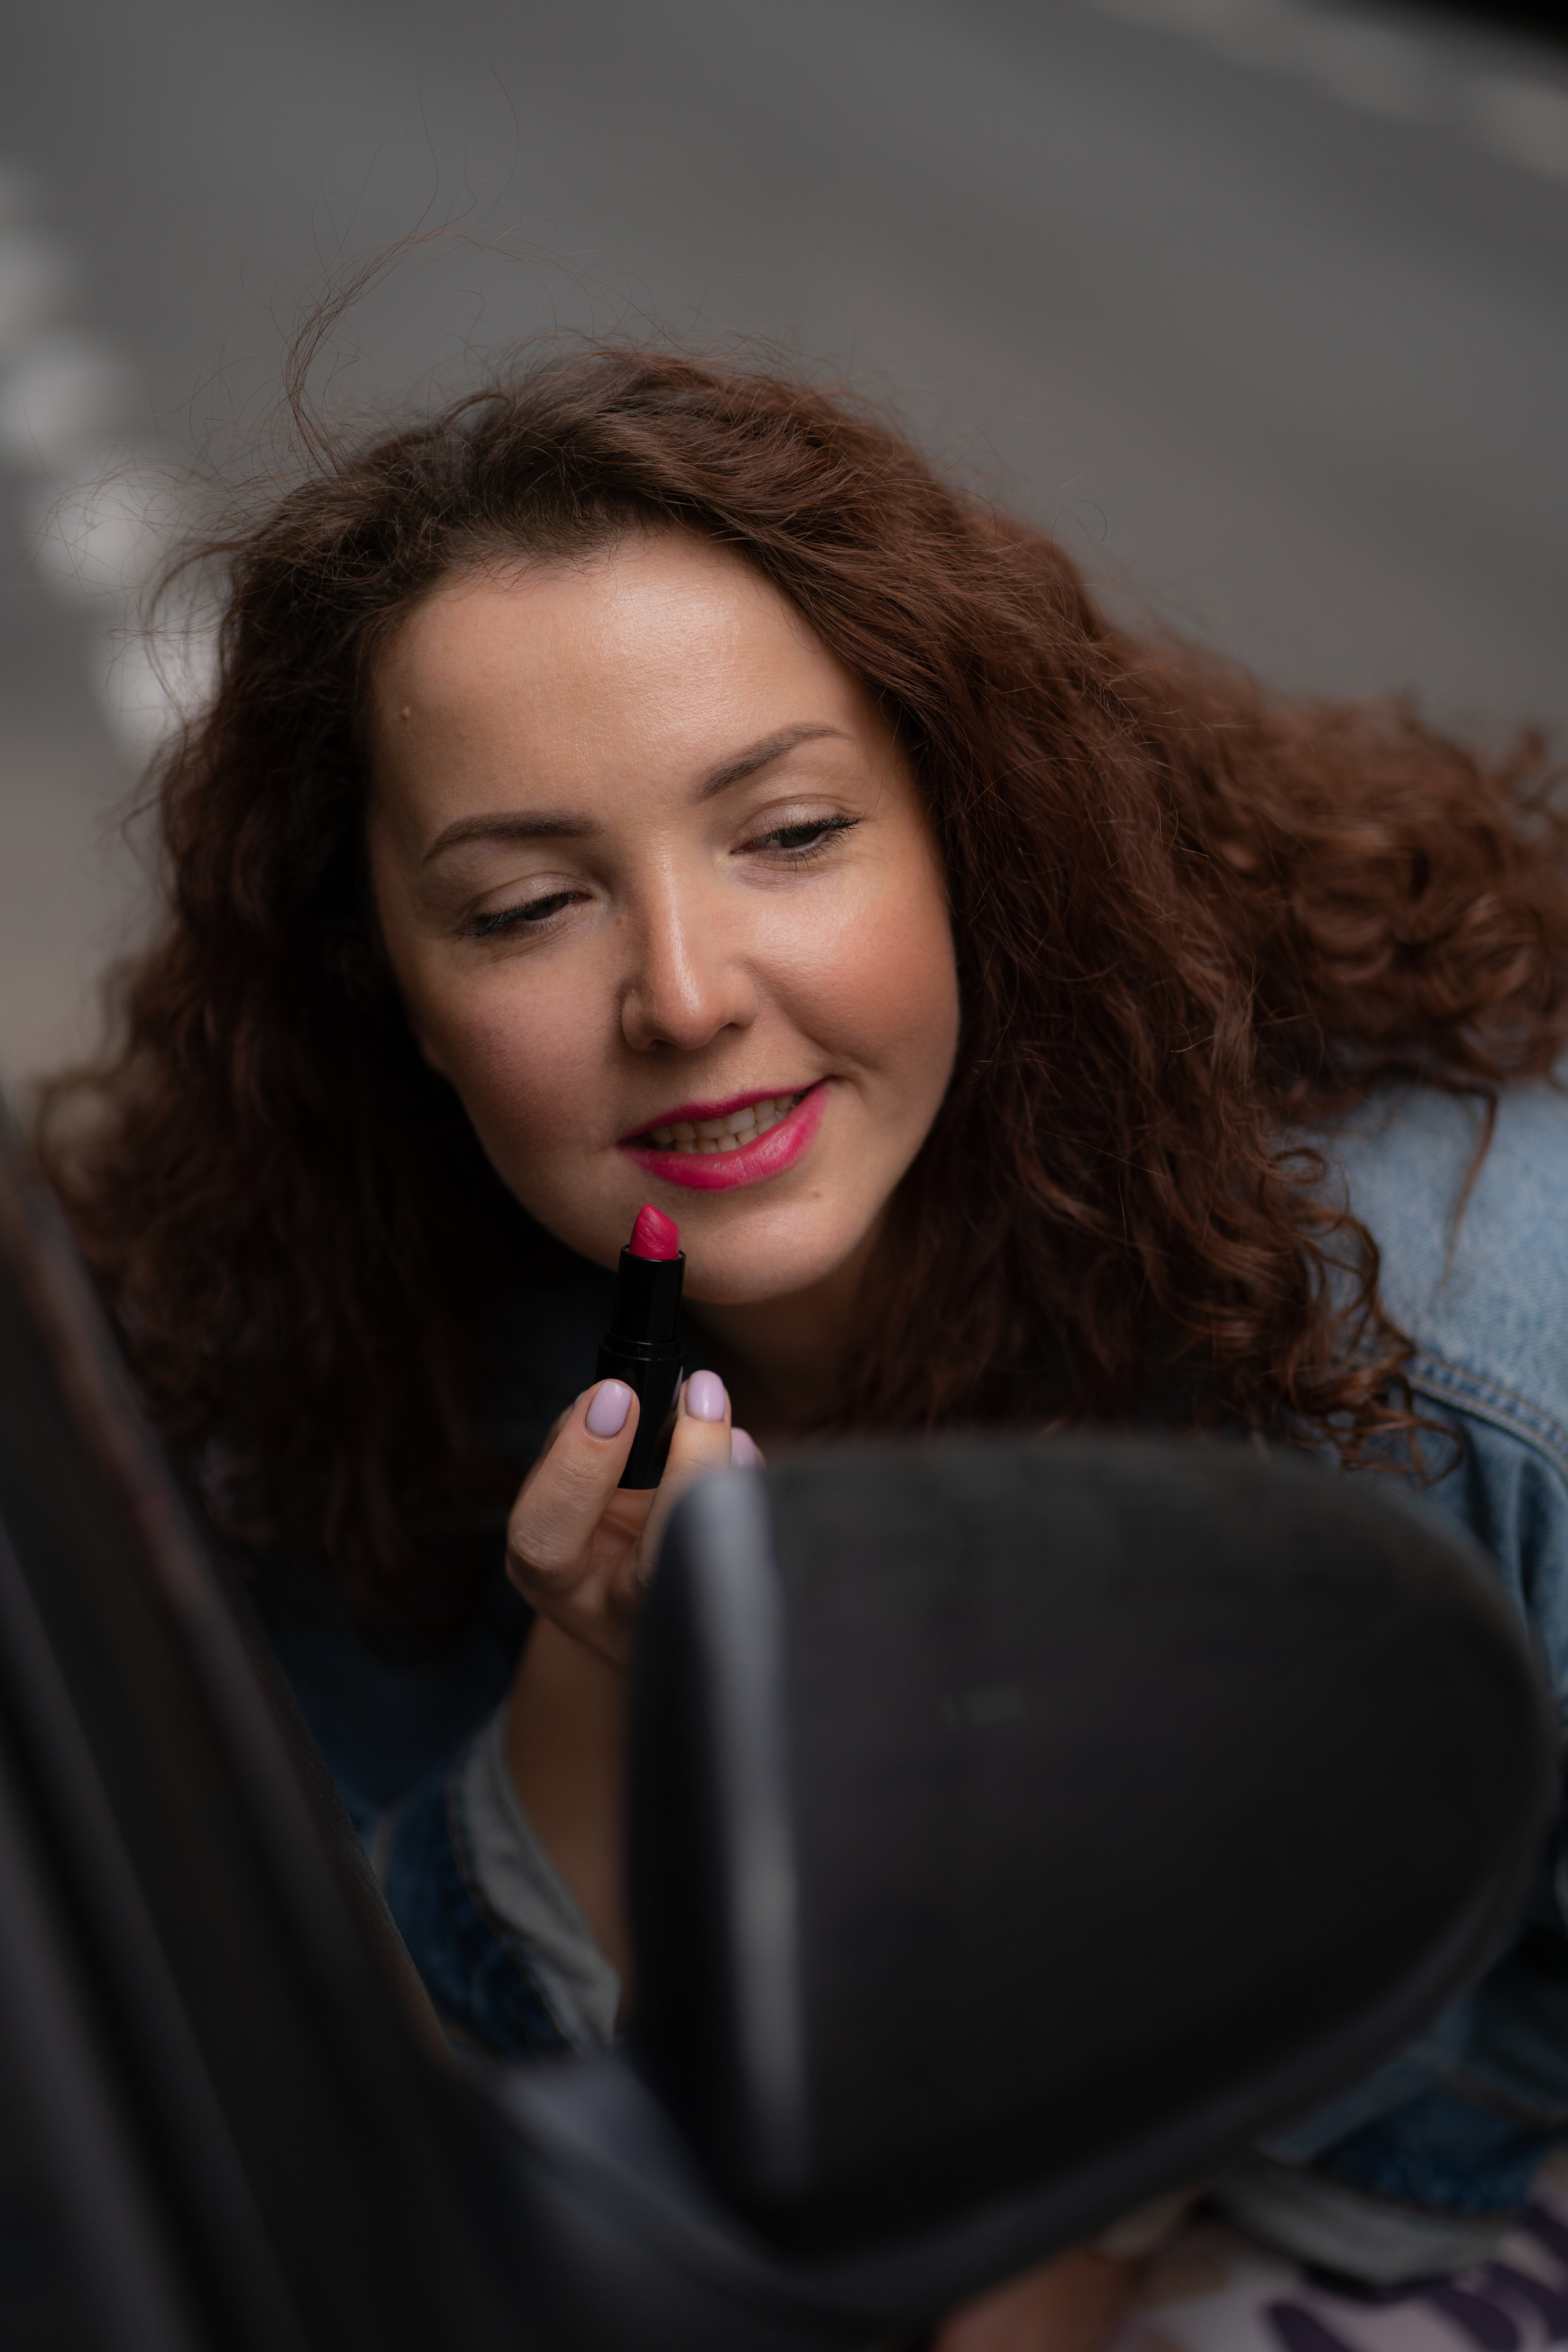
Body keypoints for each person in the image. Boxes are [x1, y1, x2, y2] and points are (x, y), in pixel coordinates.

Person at [36, 345, 1568, 2346]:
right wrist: (592, 1703)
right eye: (527, 906)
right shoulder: (343, 1373)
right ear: (386, 983)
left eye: (788, 833)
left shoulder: (1462, 1352)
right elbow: (401, 2200)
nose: (683, 995)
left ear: (970, 831)